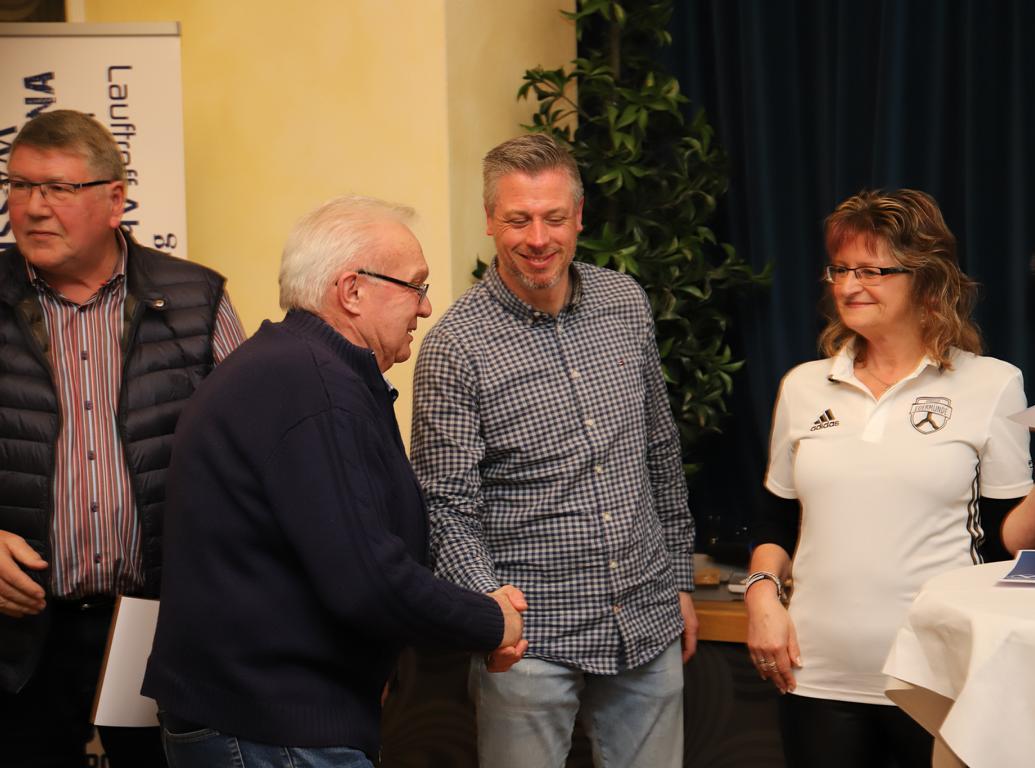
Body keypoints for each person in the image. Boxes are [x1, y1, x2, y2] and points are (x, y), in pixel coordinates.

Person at [141, 196, 528, 767]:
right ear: (352, 291)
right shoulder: (313, 387)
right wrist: (493, 621)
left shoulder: (296, 368)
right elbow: (369, 580)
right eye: (415, 286)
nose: (425, 307)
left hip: (263, 722)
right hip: (272, 729)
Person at [744, 188, 1035, 768]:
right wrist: (761, 597)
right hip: (815, 674)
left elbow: (1009, 545)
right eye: (840, 269)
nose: (848, 286)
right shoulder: (803, 386)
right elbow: (776, 522)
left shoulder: (990, 383)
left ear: (926, 281)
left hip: (936, 676)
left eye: (871, 271)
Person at [410, 133, 698, 768]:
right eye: (518, 219)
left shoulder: (625, 303)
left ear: (579, 217)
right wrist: (492, 610)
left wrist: (678, 577)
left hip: (646, 620)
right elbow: (444, 505)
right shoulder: (454, 347)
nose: (538, 238)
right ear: (490, 219)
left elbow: (658, 446)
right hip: (530, 643)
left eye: (554, 217)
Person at [0, 109, 246, 767]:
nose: (33, 207)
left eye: (58, 188)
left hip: (159, 625)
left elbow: (252, 458)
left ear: (115, 200)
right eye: (20, 186)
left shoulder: (196, 301)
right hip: (19, 639)